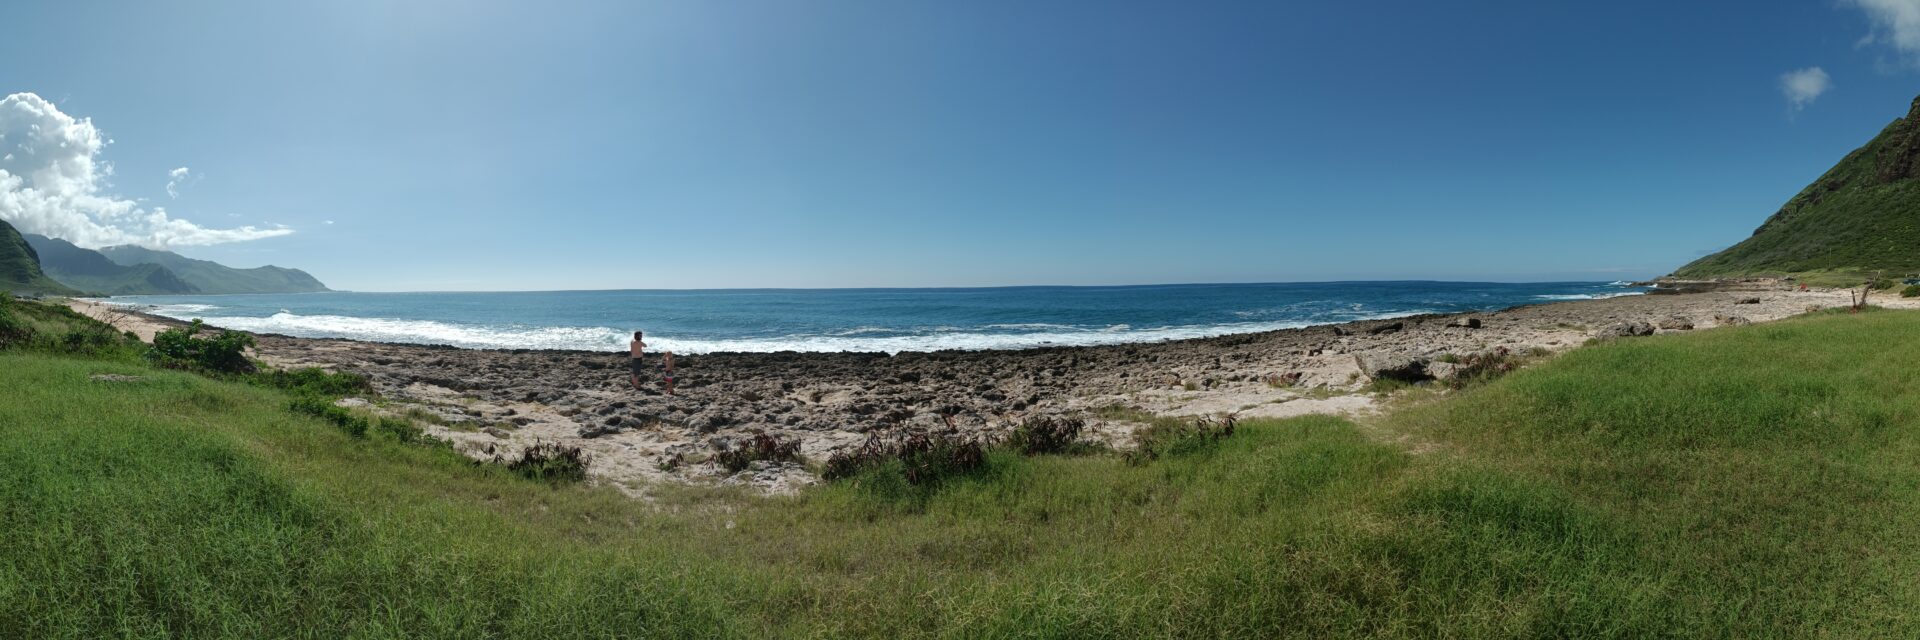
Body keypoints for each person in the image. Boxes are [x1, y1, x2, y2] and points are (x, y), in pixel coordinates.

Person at [629, 330, 676, 395]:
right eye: (640, 335)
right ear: (637, 336)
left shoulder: (632, 341)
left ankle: (635, 383)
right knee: (636, 373)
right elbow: (645, 345)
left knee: (634, 372)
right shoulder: (639, 342)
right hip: (637, 359)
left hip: (634, 358)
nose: (641, 336)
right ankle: (637, 385)